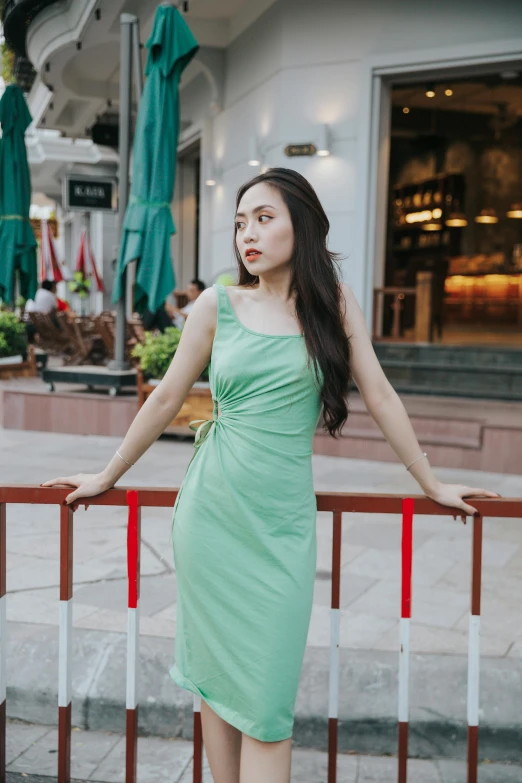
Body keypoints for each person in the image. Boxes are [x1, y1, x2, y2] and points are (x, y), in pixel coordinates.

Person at [41, 168, 499, 783]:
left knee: (265, 707)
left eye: (263, 218)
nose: (246, 235)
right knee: (217, 687)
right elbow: (165, 398)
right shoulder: (217, 305)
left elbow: (382, 395)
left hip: (280, 530)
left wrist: (431, 484)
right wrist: (107, 473)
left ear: (300, 225)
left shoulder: (332, 304)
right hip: (212, 516)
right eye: (239, 223)